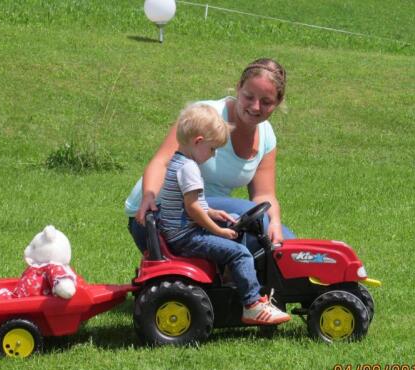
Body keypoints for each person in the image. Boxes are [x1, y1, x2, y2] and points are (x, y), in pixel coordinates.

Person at [125, 58, 295, 253]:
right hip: (161, 213)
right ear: (238, 87)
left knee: (286, 241)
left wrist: (275, 223)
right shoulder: (204, 116)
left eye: (266, 102)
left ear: (278, 102)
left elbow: (264, 195)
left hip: (206, 213)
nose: (255, 107)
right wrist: (149, 195)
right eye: (249, 96)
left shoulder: (266, 136)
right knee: (251, 222)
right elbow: (162, 162)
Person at [158, 103, 290, 325]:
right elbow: (193, 210)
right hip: (184, 236)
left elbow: (193, 203)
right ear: (198, 142)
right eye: (212, 149)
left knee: (235, 233)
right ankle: (252, 305)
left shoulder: (179, 162)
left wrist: (215, 212)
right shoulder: (189, 169)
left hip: (178, 230)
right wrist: (217, 229)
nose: (213, 155)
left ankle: (231, 283)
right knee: (240, 253)